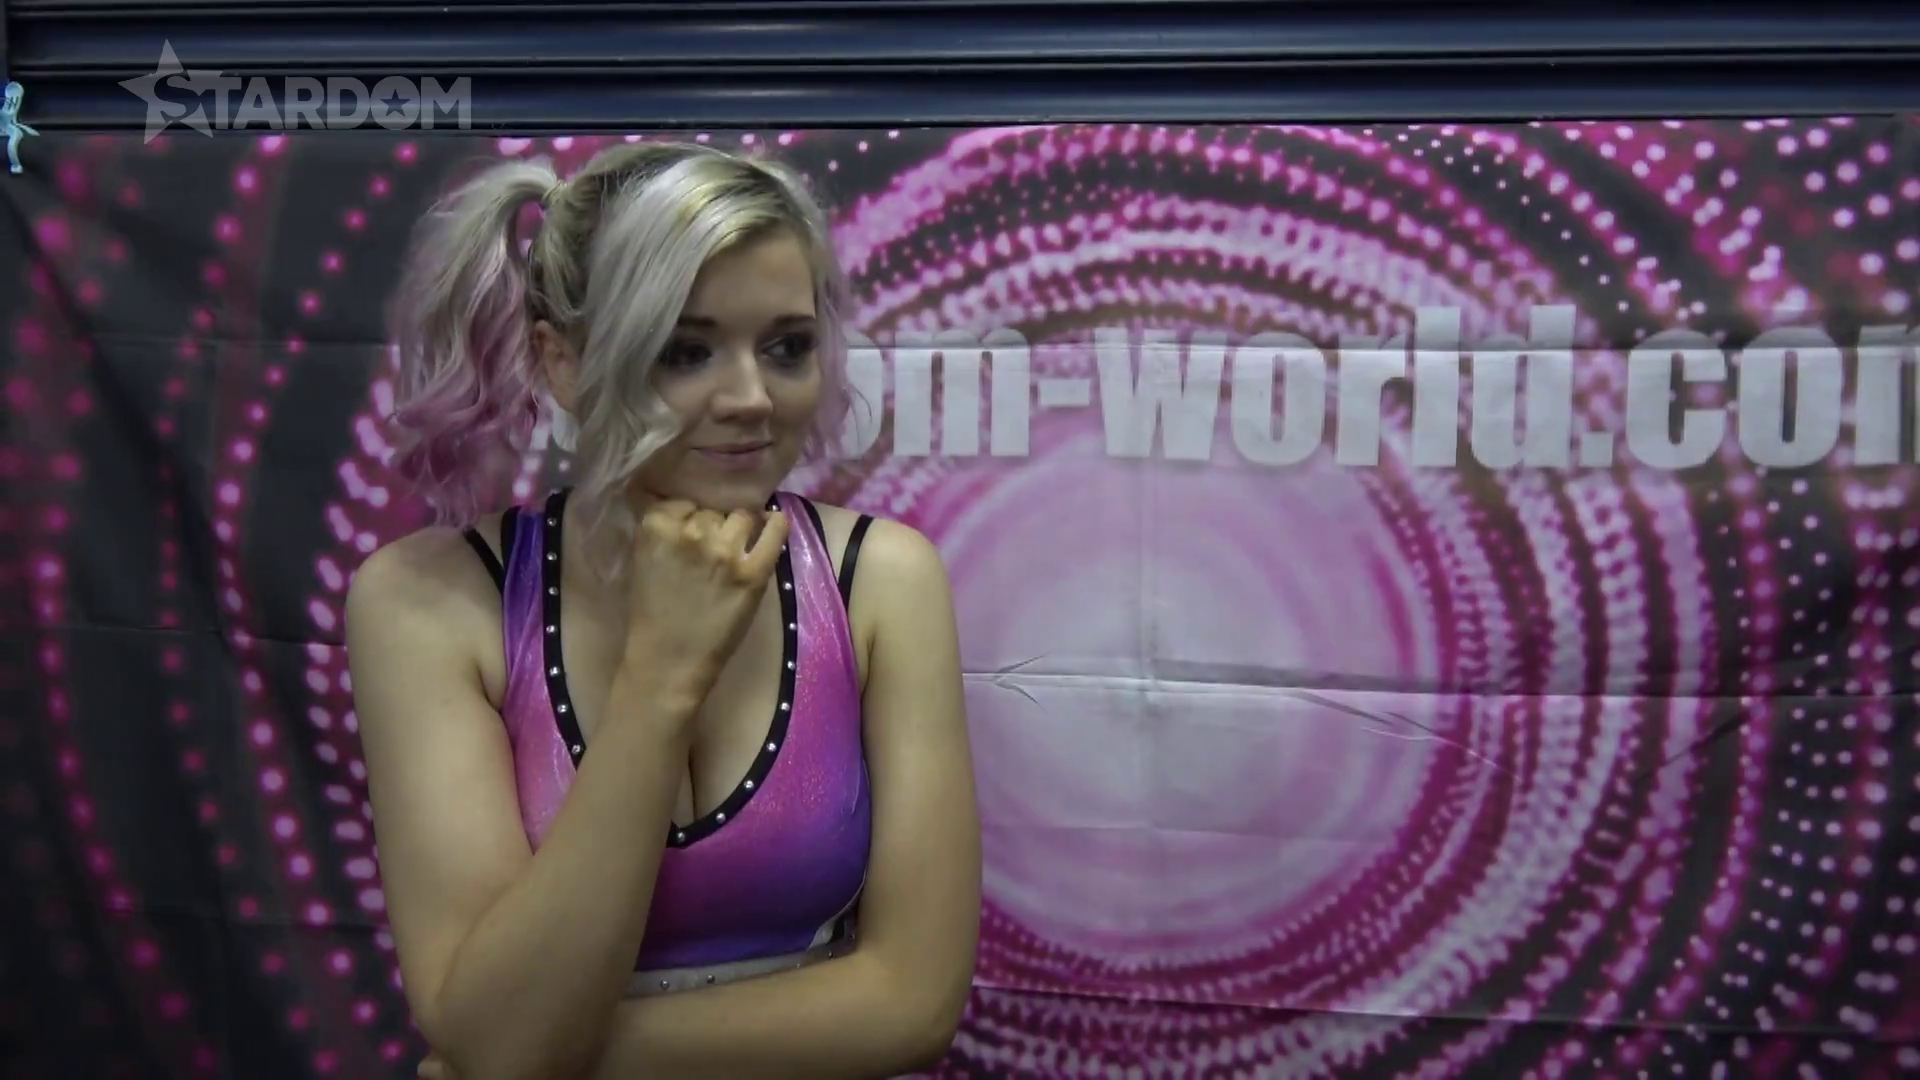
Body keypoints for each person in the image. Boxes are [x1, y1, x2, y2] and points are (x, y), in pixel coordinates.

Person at [345, 141, 981, 1080]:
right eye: (686, 350)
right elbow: (487, 1021)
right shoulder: (432, 601)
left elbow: (912, 1002)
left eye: (787, 346)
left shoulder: (880, 580)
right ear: (563, 362)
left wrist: (546, 1060)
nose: (752, 398)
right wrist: (663, 676)